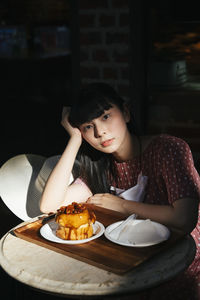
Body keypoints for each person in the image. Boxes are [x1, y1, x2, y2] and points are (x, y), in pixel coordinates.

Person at [40, 82, 200, 299]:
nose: (100, 132)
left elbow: (184, 218)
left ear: (125, 112)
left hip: (181, 268)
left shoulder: (169, 150)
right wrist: (74, 140)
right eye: (88, 126)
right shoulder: (100, 167)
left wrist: (122, 205)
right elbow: (49, 206)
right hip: (133, 269)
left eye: (105, 116)